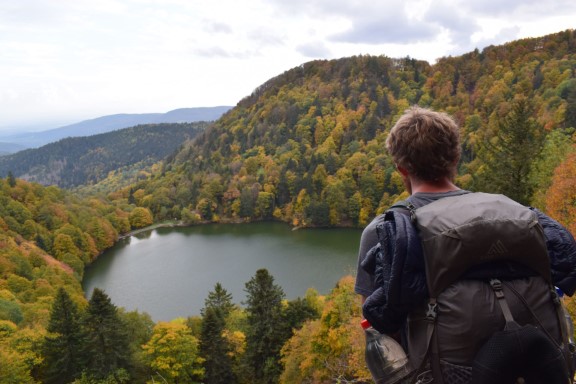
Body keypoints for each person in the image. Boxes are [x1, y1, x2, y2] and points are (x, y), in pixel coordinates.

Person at [354, 105, 576, 380]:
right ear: (455, 158)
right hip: (536, 368)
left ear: (401, 168)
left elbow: (378, 327)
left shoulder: (387, 231)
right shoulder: (514, 212)